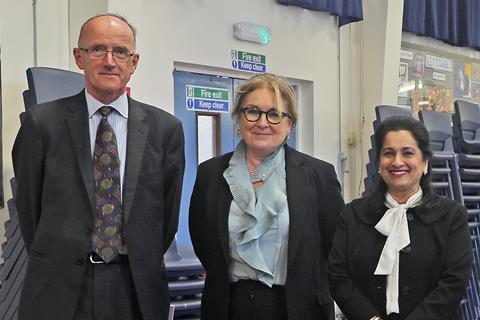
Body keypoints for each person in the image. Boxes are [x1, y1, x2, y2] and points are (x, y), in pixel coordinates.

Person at [12, 13, 185, 320]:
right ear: (79, 57)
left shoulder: (165, 130)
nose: (109, 61)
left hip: (135, 289)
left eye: (121, 52)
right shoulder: (43, 124)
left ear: (133, 63)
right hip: (60, 287)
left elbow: (166, 218)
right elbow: (30, 212)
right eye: (97, 50)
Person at [189, 73, 344, 320]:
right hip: (229, 305)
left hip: (297, 306)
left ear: (290, 124)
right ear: (239, 119)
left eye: (274, 114)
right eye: (252, 111)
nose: (263, 122)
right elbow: (204, 243)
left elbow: (334, 246)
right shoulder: (210, 174)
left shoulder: (319, 175)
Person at [328, 116, 472, 320]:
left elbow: (454, 283)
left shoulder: (452, 216)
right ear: (379, 162)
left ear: (425, 163)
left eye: (408, 153)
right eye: (388, 153)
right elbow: (338, 276)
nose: (397, 161)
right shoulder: (352, 214)